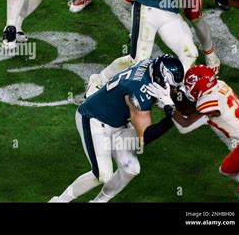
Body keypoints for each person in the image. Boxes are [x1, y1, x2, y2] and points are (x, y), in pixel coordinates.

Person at [50, 55, 183, 202]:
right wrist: (169, 119)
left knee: (131, 169)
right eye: (172, 86)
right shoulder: (138, 90)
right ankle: (59, 201)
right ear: (159, 79)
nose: (174, 90)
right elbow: (144, 137)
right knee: (102, 174)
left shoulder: (153, 64)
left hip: (119, 121)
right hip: (94, 118)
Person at [172, 65, 239, 202]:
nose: (188, 88)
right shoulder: (218, 85)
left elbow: (185, 126)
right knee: (227, 170)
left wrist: (168, 106)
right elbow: (193, 111)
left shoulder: (209, 103)